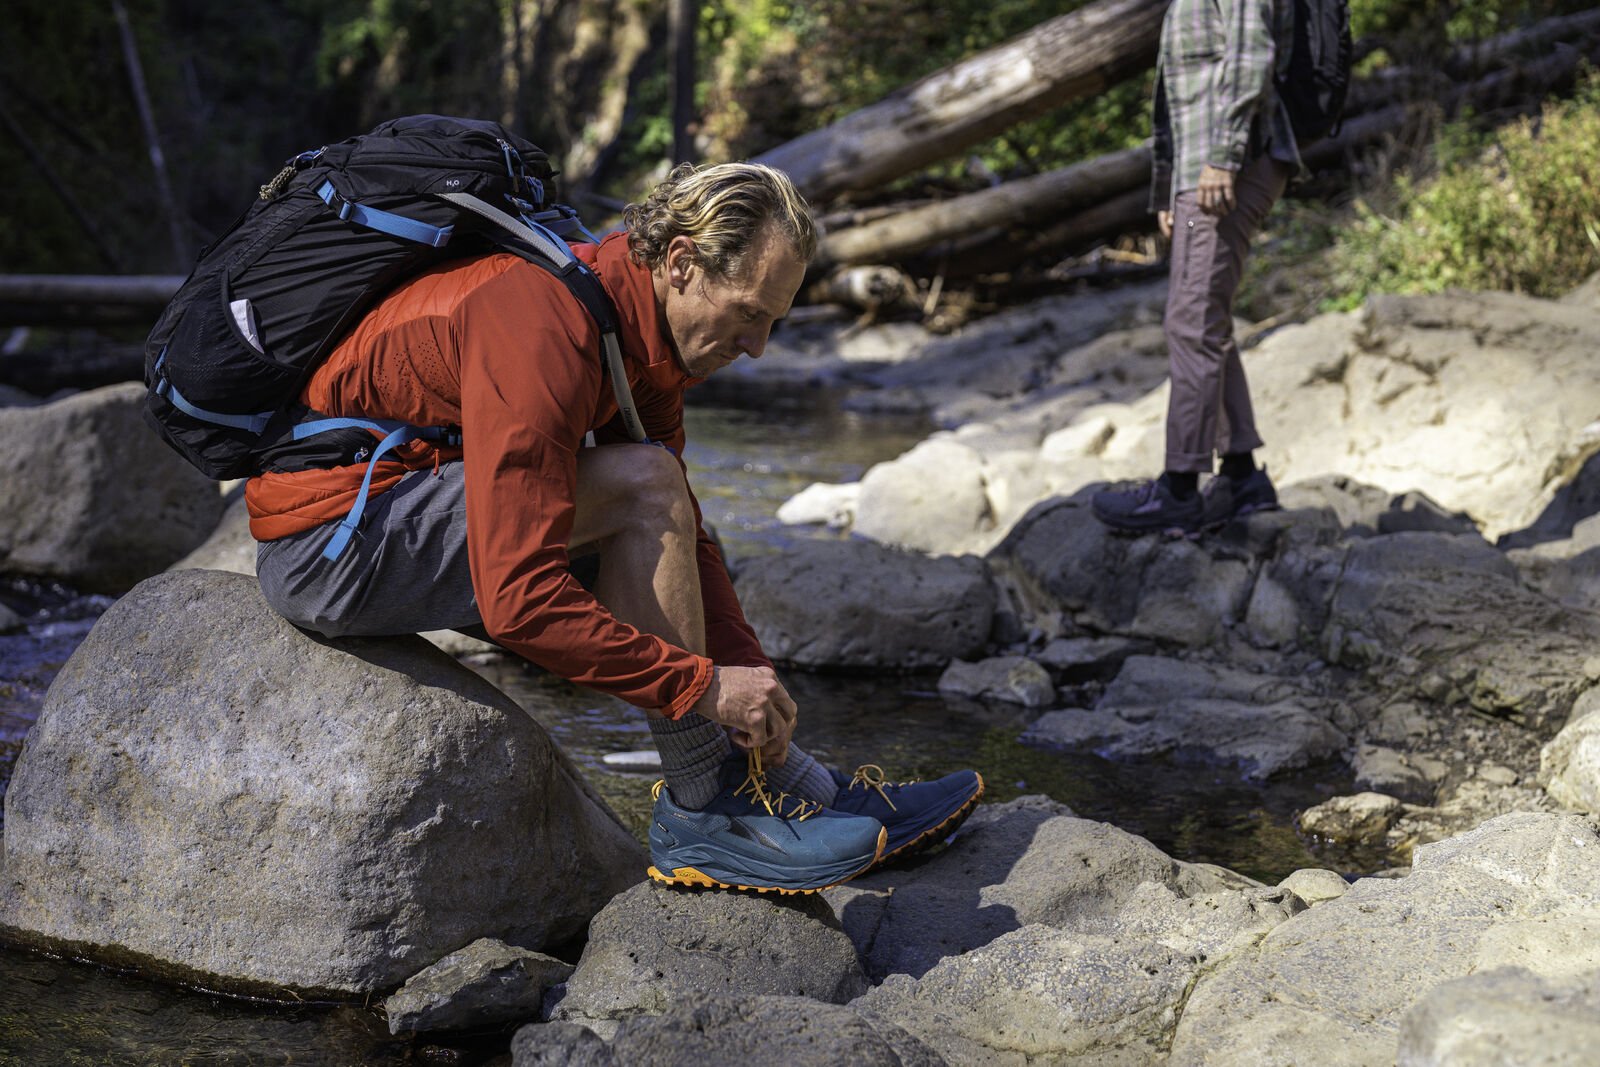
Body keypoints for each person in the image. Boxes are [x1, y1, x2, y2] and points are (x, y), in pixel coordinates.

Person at [246, 161, 983, 894]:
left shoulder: (639, 338)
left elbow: (683, 535)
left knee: (656, 505)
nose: (757, 345)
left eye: (774, 322)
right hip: (330, 543)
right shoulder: (544, 324)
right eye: (749, 313)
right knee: (644, 490)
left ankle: (792, 784)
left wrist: (752, 676)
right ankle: (704, 815)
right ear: (682, 263)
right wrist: (702, 686)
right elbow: (519, 598)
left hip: (408, 511)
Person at [1092, 0, 1300, 535]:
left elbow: (1251, 56)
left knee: (1191, 323)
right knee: (1204, 321)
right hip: (1202, 175)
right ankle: (1241, 477)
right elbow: (1183, 95)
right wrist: (1171, 189)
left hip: (1231, 166)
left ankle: (1180, 488)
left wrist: (1222, 158)